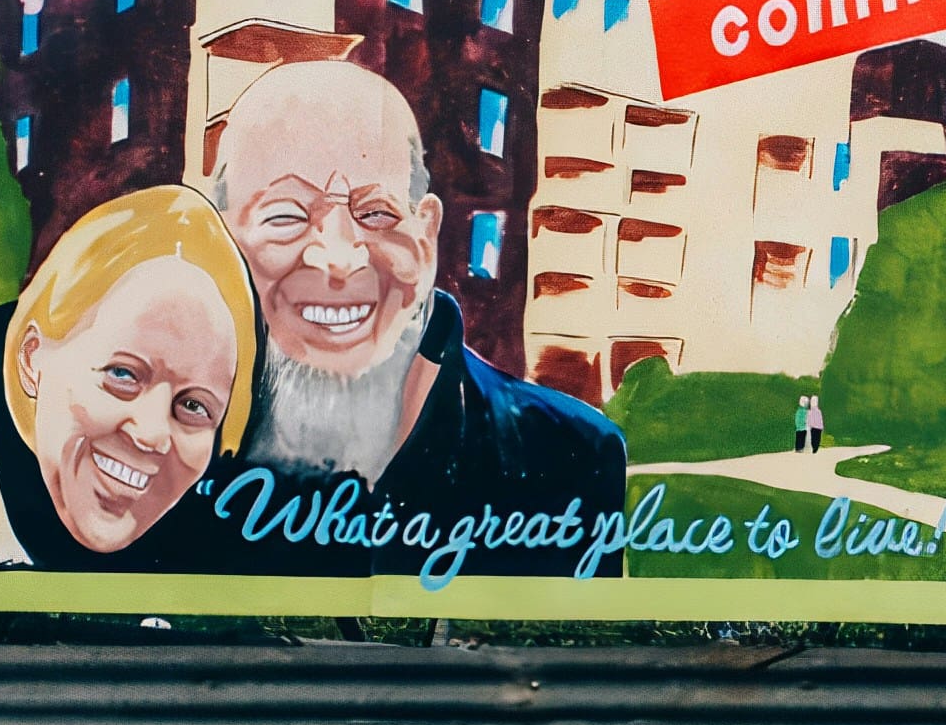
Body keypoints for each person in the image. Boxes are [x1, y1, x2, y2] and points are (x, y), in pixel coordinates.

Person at [196, 57, 626, 567]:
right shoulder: (167, 447)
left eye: (376, 213)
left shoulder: (567, 456)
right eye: (286, 215)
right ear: (222, 239)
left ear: (426, 235)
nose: (338, 259)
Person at [0, 185, 253, 569]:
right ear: (32, 358)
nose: (152, 434)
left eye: (194, 405)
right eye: (123, 374)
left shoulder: (204, 560)